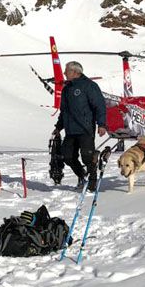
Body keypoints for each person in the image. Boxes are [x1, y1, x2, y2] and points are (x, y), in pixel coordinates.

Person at [52, 61, 107, 192]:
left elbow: (99, 105)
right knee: (67, 156)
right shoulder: (66, 89)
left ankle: (92, 184)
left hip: (85, 128)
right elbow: (64, 111)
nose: (64, 73)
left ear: (76, 72)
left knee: (87, 157)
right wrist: (59, 127)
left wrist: (102, 124)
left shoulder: (89, 86)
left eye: (67, 71)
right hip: (71, 130)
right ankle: (83, 176)